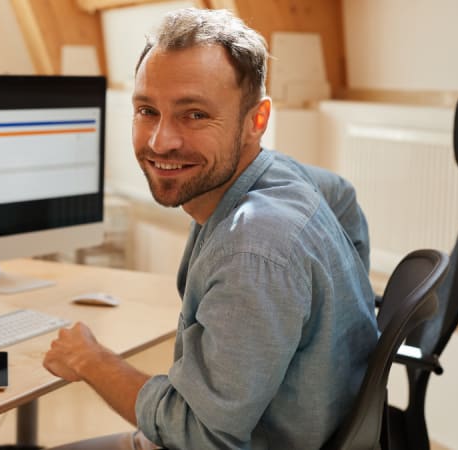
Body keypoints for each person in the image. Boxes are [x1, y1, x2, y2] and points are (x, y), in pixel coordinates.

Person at [43, 7, 378, 450]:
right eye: (147, 110)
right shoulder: (281, 175)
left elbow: (201, 437)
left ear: (256, 121)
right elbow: (343, 196)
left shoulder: (253, 249)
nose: (161, 141)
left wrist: (92, 360)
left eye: (194, 115)